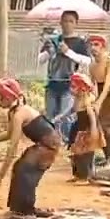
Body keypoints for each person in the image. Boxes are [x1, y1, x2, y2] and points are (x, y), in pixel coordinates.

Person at [0, 77, 61, 219]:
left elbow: (12, 147)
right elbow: (9, 134)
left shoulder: (19, 114)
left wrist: (0, 176)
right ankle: (18, 208)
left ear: (9, 97)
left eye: (0, 96)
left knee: (25, 169)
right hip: (43, 144)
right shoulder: (13, 112)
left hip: (49, 146)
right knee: (20, 167)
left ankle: (26, 210)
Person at [38, 11, 92, 141]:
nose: (67, 24)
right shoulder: (53, 40)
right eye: (65, 21)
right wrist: (50, 52)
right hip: (52, 83)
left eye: (71, 21)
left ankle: (65, 144)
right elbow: (40, 60)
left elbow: (87, 61)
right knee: (50, 117)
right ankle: (51, 143)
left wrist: (68, 52)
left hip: (70, 86)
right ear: (60, 22)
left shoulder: (79, 42)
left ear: (76, 24)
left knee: (65, 118)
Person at [67, 72, 104, 184]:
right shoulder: (78, 99)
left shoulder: (87, 100)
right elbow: (73, 110)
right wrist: (61, 117)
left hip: (87, 129)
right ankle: (78, 174)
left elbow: (92, 116)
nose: (71, 89)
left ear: (81, 88)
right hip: (80, 127)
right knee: (76, 152)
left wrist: (93, 131)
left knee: (85, 153)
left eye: (73, 86)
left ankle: (85, 176)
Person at [89, 34, 110, 162]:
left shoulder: (109, 61)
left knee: (107, 127)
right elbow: (93, 85)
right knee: (98, 126)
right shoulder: (92, 65)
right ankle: (106, 156)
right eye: (91, 45)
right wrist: (93, 101)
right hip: (100, 96)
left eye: (96, 45)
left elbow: (108, 84)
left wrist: (99, 102)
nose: (93, 47)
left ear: (103, 47)